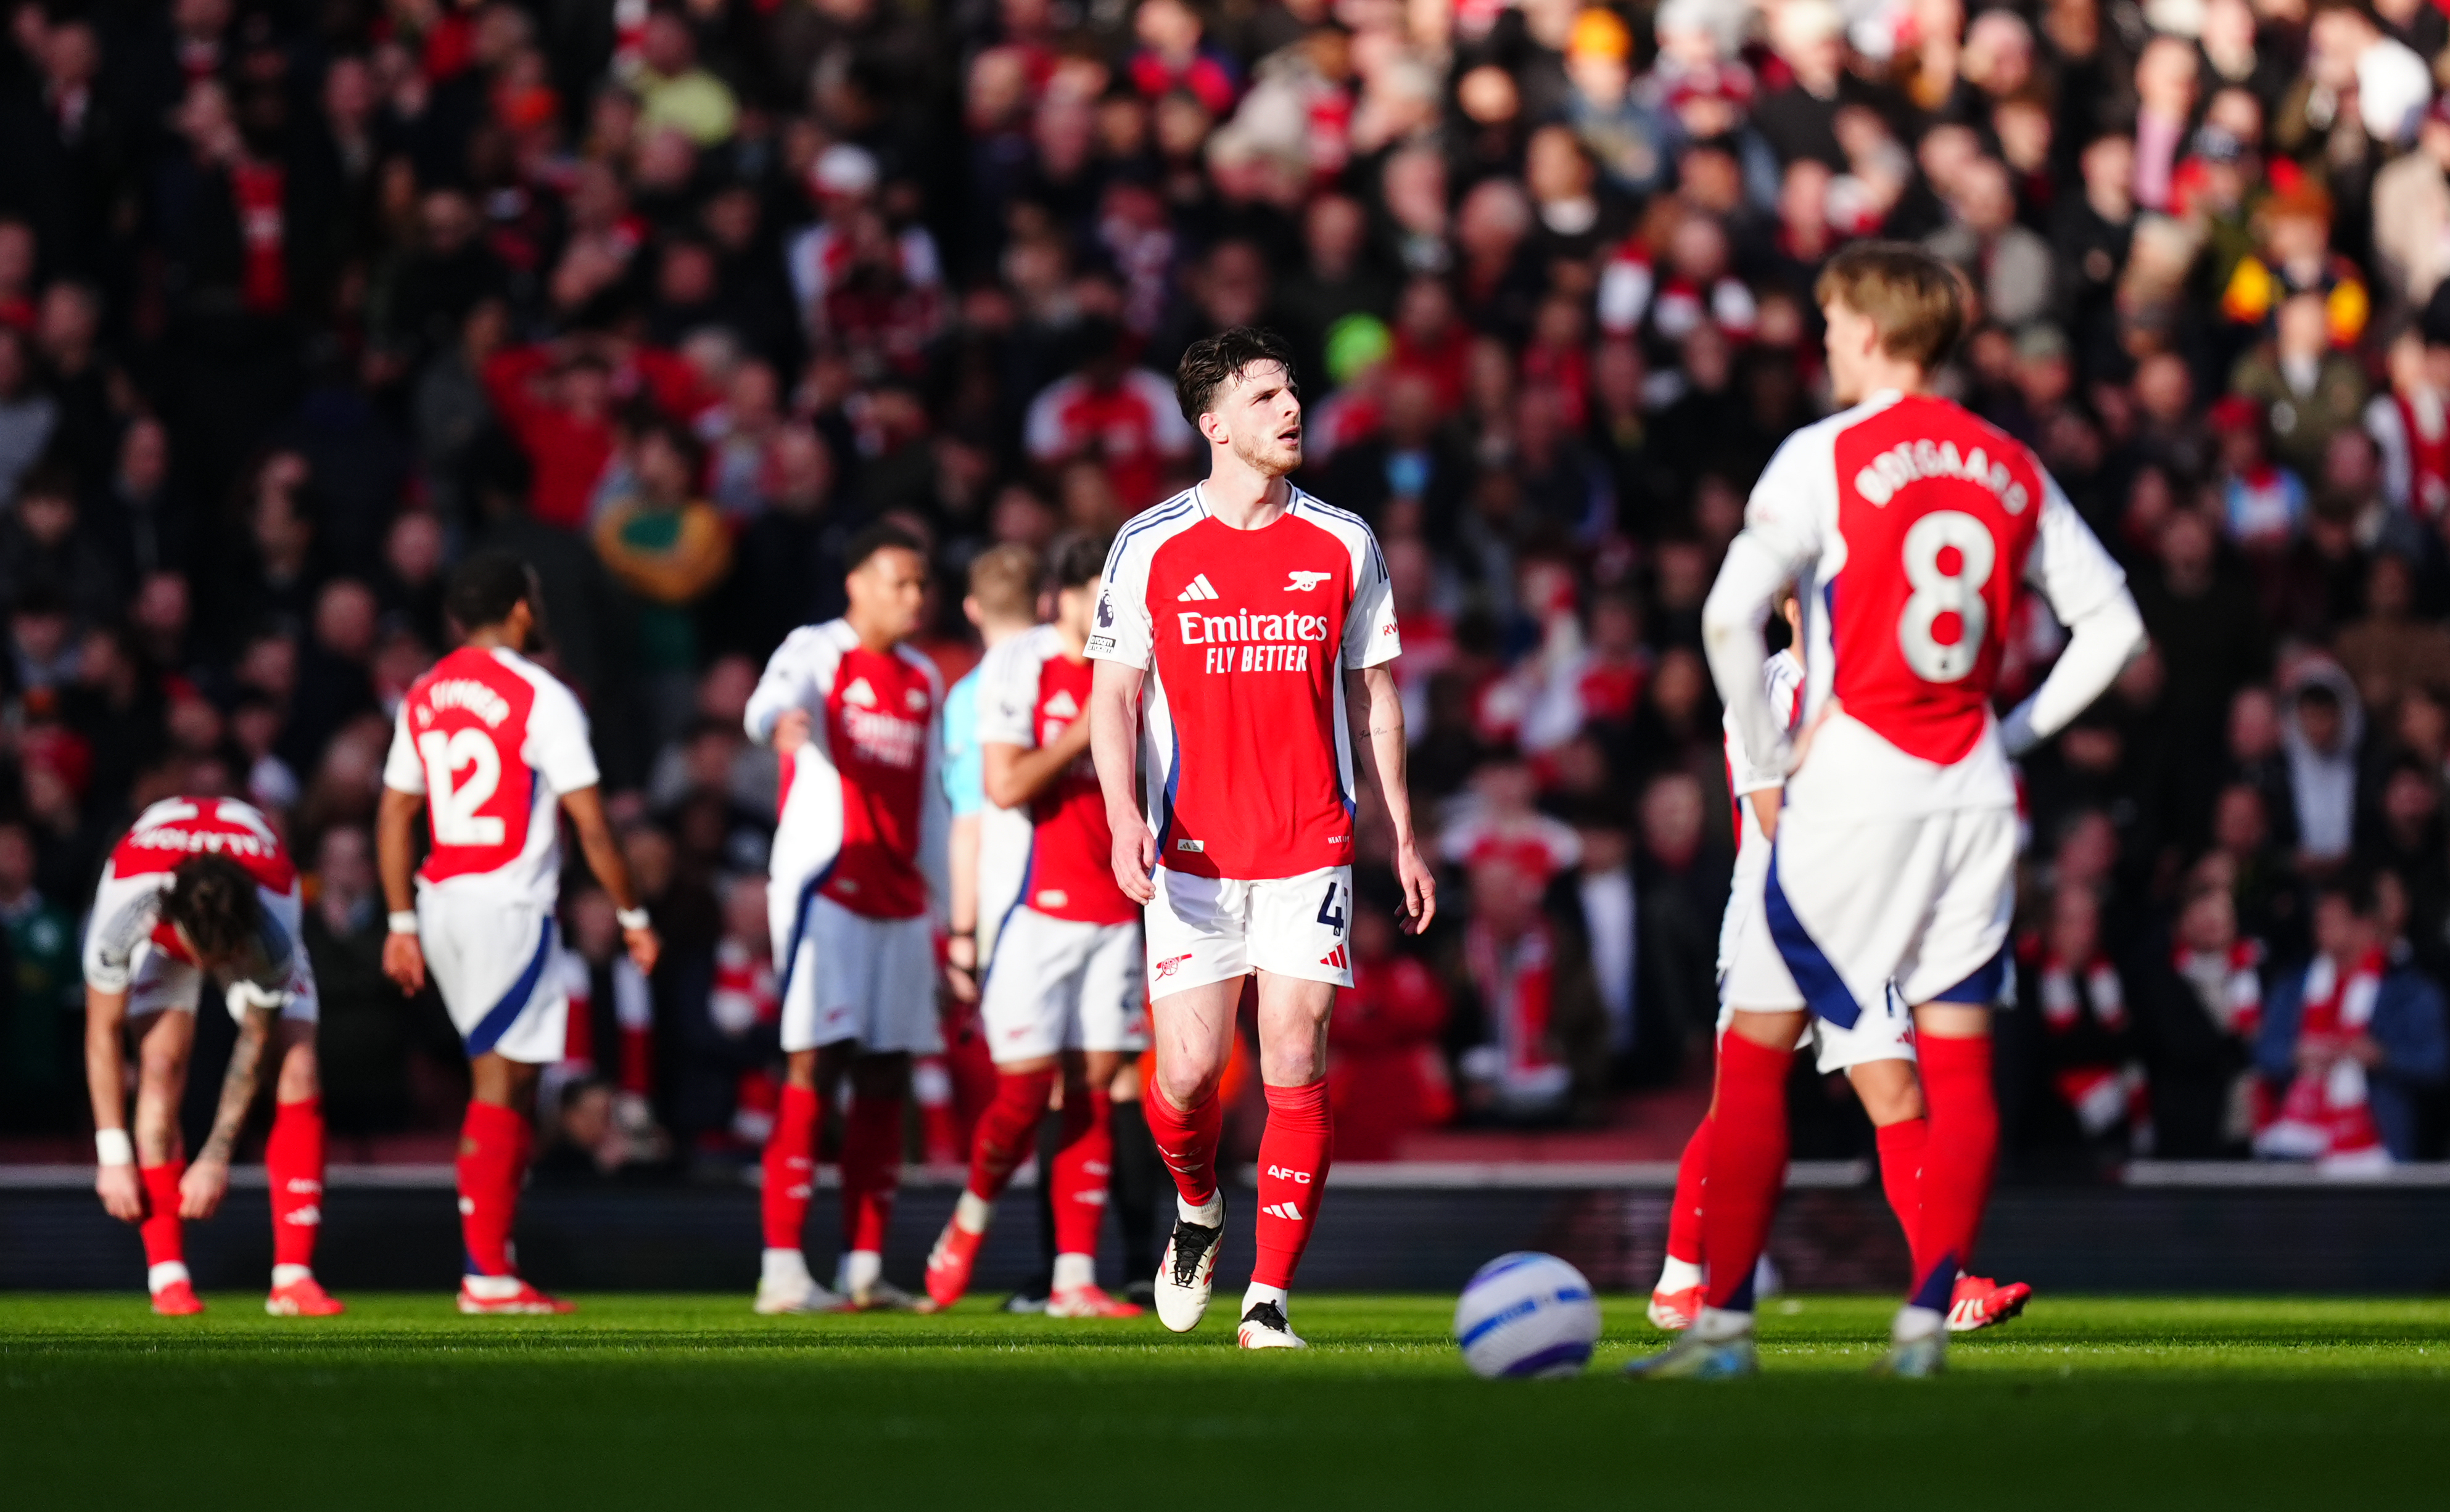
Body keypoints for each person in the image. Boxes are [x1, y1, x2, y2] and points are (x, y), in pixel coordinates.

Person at [1636, 243, 2144, 1378]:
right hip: (1906, 823)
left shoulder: (1821, 469)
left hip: (1852, 823)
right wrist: (2007, 733)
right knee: (1914, 1070)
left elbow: (1728, 632)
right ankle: (1867, 1296)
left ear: (1864, 329)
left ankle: (1744, 1304)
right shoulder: (2002, 461)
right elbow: (2112, 625)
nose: (1821, 343)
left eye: (1827, 323)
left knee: (1815, 1072)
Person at [1086, 326, 1436, 1350]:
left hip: (1310, 844)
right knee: (1189, 1077)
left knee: (1293, 1052)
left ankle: (1267, 1296)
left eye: (1292, 392)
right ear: (1213, 424)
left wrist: (1403, 834)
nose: (1292, 410)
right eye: (1267, 396)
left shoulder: (1343, 540)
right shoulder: (1149, 542)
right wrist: (1121, 818)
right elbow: (1112, 694)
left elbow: (1377, 695)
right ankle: (1198, 1207)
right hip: (1190, 853)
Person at [1649, 591, 2031, 1336]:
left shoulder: (1873, 688)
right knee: (1738, 1103)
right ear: (1791, 602)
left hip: (1862, 919)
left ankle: (1944, 1282)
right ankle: (1679, 1276)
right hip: (1776, 920)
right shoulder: (1760, 688)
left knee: (1897, 1094)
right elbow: (1770, 815)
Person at [377, 551, 662, 1315]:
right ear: (523, 610)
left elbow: (395, 810)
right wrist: (634, 914)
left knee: (514, 1080)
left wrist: (400, 920)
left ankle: (493, 1265)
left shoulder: (426, 693)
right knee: (501, 1084)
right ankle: (487, 1274)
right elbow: (592, 819)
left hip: (442, 902)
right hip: (509, 904)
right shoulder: (544, 695)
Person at [923, 534, 1147, 1318]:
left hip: (1118, 912)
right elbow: (1004, 783)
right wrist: (1089, 729)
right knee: (1022, 1094)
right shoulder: (1021, 665)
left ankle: (1075, 1277)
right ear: (1065, 597)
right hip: (1031, 910)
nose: (1114, 612)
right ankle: (973, 1213)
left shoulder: (1136, 669)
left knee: (1091, 1091)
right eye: (1102, 596)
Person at [746, 524, 951, 1313]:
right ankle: (782, 1269)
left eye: (920, 584)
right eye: (899, 581)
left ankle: (864, 1265)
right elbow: (770, 702)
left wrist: (952, 912)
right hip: (827, 891)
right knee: (814, 1063)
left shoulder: (923, 678)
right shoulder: (818, 649)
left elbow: (931, 800)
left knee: (885, 1073)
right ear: (857, 583)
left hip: (901, 901)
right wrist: (777, 727)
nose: (913, 597)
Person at [83, 796, 342, 1317]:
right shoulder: (125, 913)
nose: (215, 968)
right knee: (159, 1065)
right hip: (163, 918)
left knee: (298, 1067)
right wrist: (112, 1156)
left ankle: (294, 1278)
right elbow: (102, 1033)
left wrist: (216, 1157)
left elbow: (254, 1043)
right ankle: (169, 1279)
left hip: (248, 903)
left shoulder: (273, 924)